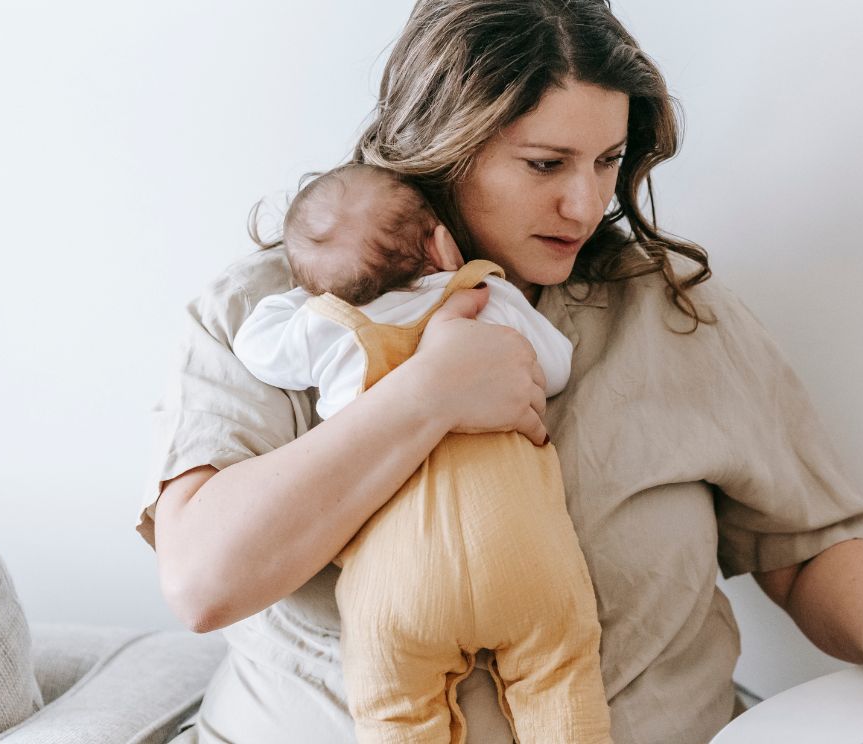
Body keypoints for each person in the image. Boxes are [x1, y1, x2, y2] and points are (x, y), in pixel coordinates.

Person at [140, 1, 863, 742]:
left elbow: (803, 543)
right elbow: (204, 582)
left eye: (608, 162)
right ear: (442, 145)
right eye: (545, 163)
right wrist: (425, 397)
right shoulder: (272, 315)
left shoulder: (669, 309)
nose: (585, 204)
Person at [231, 163, 610, 744]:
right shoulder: (483, 296)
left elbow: (256, 346)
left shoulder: (330, 326)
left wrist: (313, 296)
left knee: (396, 711)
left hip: (399, 584)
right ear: (442, 242)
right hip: (521, 556)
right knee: (560, 678)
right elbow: (555, 366)